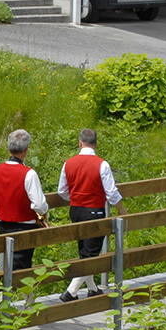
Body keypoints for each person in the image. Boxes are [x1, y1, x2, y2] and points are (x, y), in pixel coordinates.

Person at [57, 129, 126, 302]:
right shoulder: (102, 164)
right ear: (96, 144)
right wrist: (121, 208)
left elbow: (62, 191)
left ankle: (92, 288)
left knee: (84, 250)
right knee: (91, 253)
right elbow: (111, 192)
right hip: (94, 210)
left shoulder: (68, 163)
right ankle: (71, 292)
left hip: (76, 210)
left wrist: (76, 198)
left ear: (80, 142)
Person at [0, 129, 50, 272]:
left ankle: (6, 286)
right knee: (22, 267)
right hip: (25, 226)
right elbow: (39, 205)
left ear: (9, 148)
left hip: (2, 225)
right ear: (26, 150)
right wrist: (45, 211)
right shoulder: (29, 174)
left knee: (6, 264)